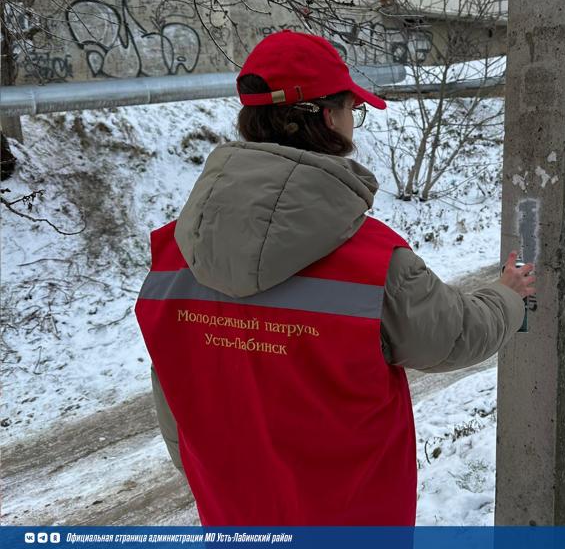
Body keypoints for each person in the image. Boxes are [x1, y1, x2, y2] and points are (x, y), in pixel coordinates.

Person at [134, 31, 536, 526]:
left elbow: (174, 391)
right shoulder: (374, 261)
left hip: (235, 514)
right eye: (351, 109)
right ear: (327, 117)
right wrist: (507, 296)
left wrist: (211, 473)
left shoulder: (170, 258)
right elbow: (453, 336)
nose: (353, 122)